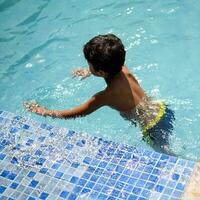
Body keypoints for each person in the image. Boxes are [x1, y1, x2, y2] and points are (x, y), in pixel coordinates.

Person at [24, 34, 175, 154]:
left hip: (152, 127)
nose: (88, 67)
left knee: (168, 156)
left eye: (89, 65)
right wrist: (88, 71)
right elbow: (111, 63)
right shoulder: (122, 68)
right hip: (161, 108)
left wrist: (43, 111)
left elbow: (74, 113)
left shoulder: (106, 96)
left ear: (101, 72)